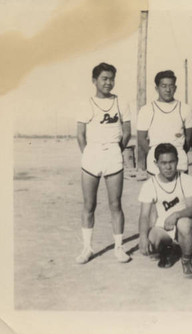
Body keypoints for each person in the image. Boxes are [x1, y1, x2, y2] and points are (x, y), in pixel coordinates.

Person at [75, 62, 131, 264]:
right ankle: (87, 248)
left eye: (111, 78)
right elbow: (80, 135)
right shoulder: (86, 103)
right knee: (89, 204)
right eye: (104, 79)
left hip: (113, 155)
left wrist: (116, 150)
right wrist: (90, 153)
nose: (108, 82)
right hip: (92, 154)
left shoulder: (120, 102)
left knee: (115, 204)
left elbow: (127, 132)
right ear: (94, 81)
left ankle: (119, 247)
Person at [137, 144, 192, 278]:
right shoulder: (149, 184)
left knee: (184, 224)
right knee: (150, 245)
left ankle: (186, 260)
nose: (168, 167)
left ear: (177, 160)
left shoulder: (186, 179)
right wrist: (142, 237)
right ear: (156, 164)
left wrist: (176, 215)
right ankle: (171, 249)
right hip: (164, 227)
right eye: (163, 163)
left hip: (184, 225)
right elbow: (144, 216)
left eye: (171, 162)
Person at [137, 70, 192, 178]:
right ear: (156, 88)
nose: (168, 90)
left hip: (179, 159)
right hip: (155, 160)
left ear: (175, 88)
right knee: (156, 194)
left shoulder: (185, 109)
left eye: (171, 86)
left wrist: (179, 151)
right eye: (164, 86)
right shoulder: (146, 109)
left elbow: (189, 138)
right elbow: (141, 139)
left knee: (180, 193)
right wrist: (154, 155)